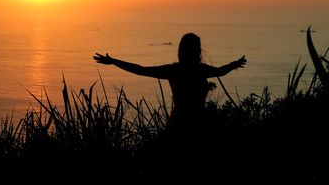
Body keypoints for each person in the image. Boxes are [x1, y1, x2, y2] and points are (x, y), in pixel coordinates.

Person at [93, 32, 246, 176]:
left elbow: (140, 70)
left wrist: (114, 61)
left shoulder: (174, 70)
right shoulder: (201, 70)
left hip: (178, 123)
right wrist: (234, 64)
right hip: (197, 124)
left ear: (180, 50)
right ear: (198, 50)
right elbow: (221, 71)